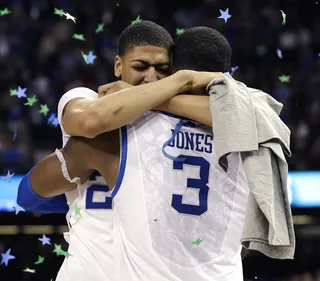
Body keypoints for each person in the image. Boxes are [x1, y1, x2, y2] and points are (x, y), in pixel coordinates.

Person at [17, 22, 223, 281]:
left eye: (163, 69)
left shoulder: (173, 124)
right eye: (140, 66)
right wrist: (75, 194)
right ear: (118, 66)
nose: (151, 77)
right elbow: (27, 194)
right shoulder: (90, 99)